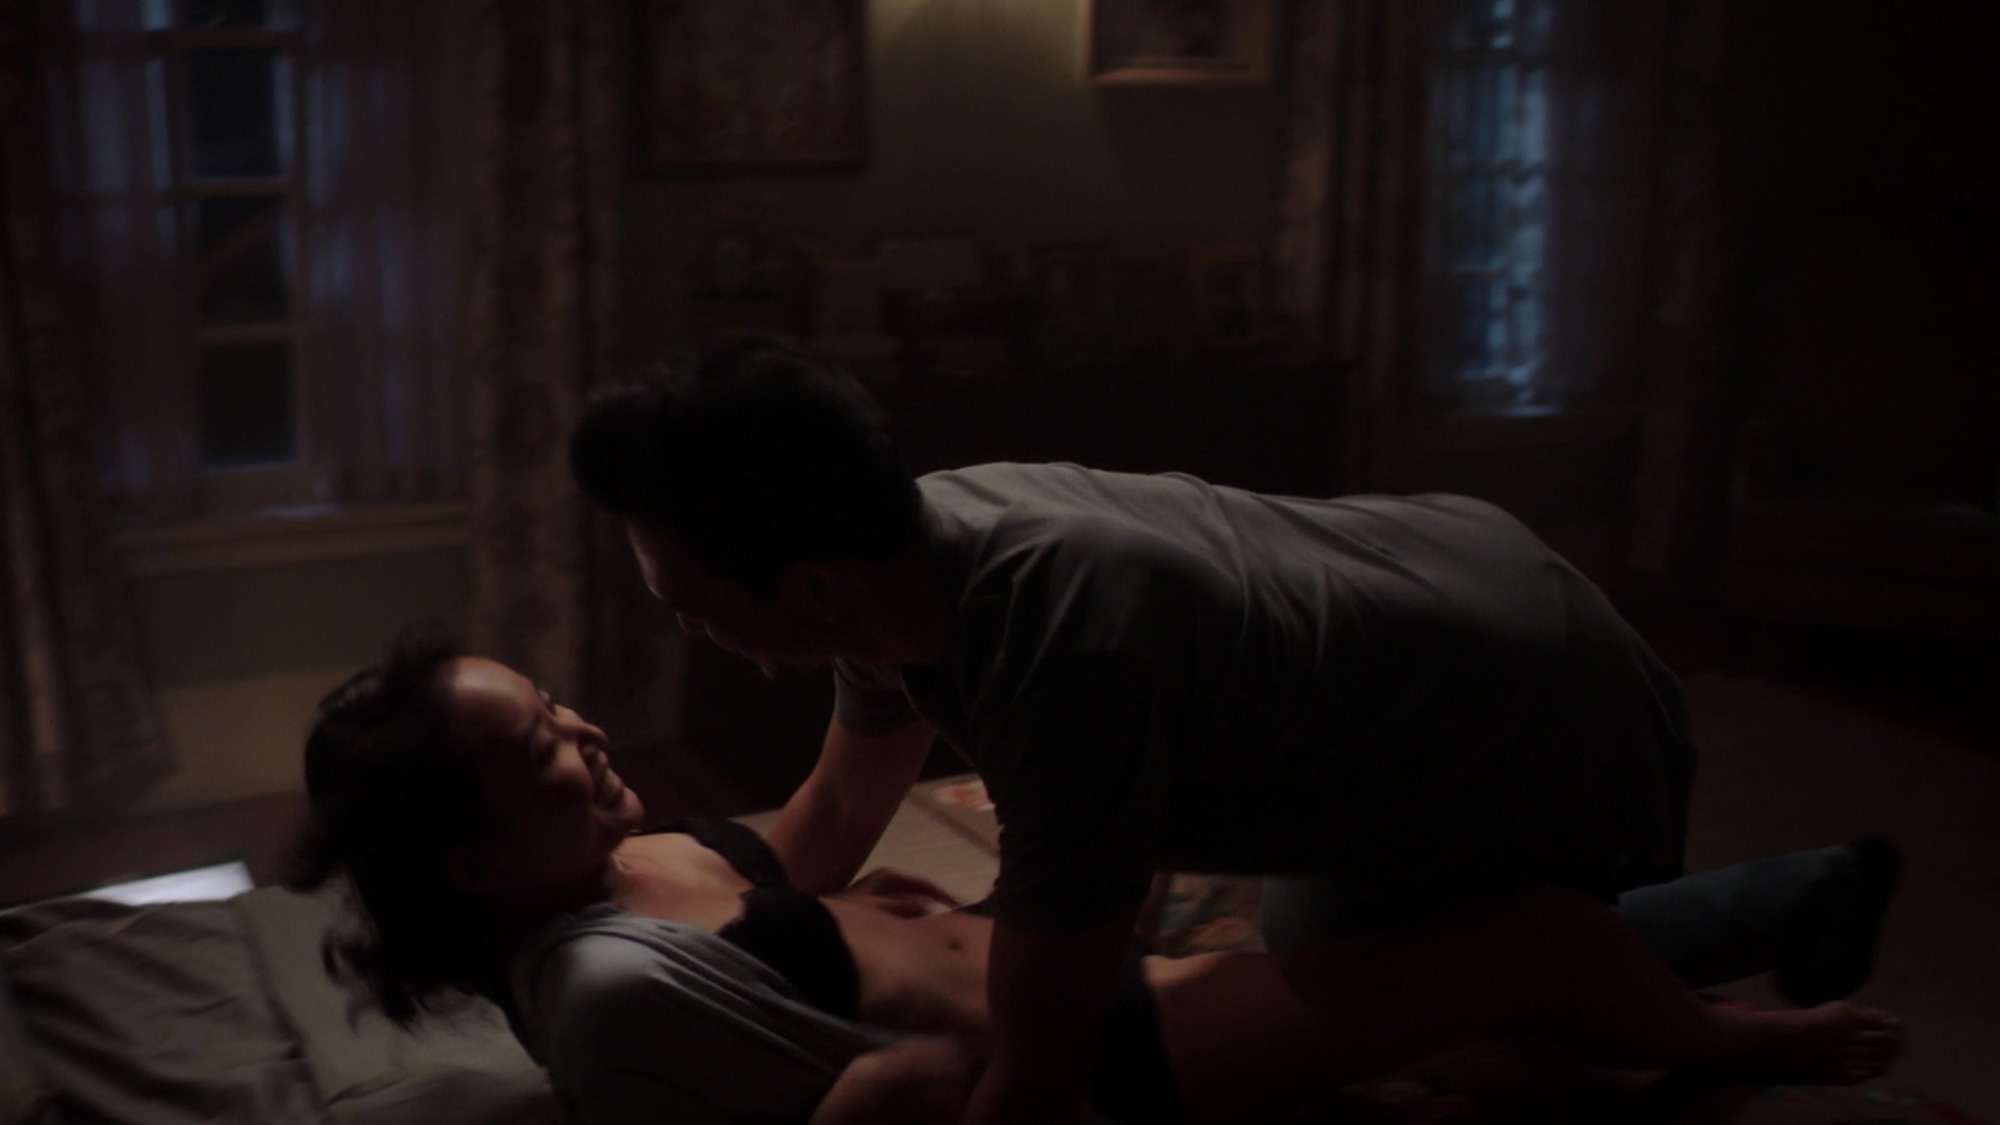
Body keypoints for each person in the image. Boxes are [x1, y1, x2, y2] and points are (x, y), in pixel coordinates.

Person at [564, 336, 1899, 1123]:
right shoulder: (895, 561)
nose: (690, 630)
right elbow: (834, 818)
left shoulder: (1061, 642)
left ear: (808, 589)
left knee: (1445, 1009)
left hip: (1540, 716)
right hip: (1443, 620)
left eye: (690, 604)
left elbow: (1042, 1066)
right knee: (1337, 959)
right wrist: (605, 884)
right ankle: (1806, 893)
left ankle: (1734, 1031)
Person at [294, 635, 1902, 1125]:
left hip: (1083, 966)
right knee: (1526, 943)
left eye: (561, 704)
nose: (589, 735)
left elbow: (832, 813)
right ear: (475, 858)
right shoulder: (607, 988)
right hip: (1106, 1054)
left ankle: (1797, 899)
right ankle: (1734, 1038)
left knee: (1406, 899)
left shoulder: (625, 858)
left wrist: (881, 645)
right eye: (544, 747)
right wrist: (916, 1062)